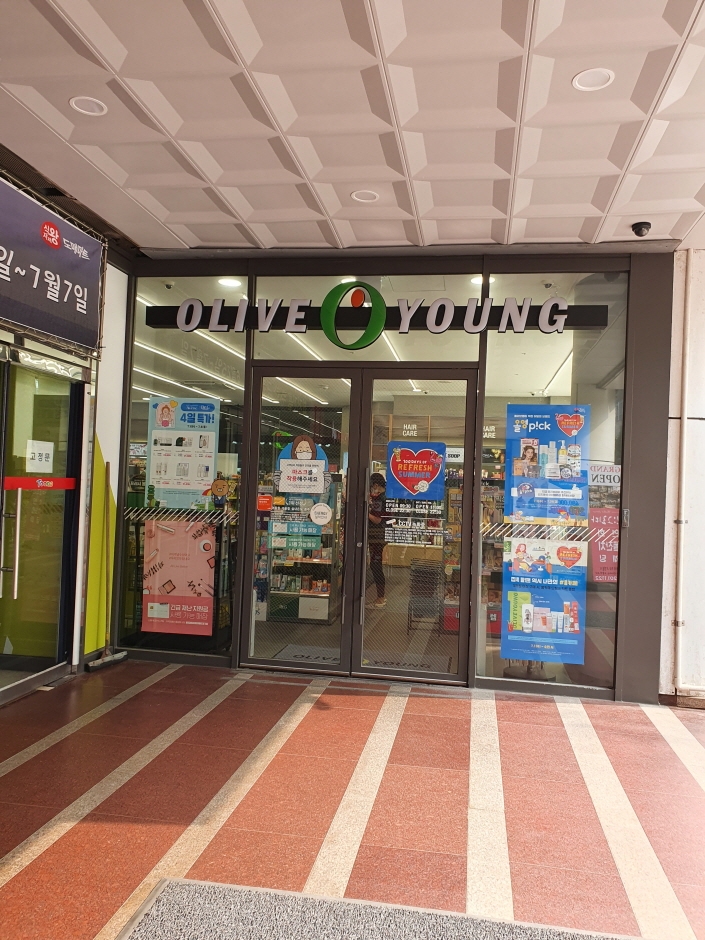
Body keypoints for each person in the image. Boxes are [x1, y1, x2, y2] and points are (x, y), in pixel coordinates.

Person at [368, 472, 387, 608]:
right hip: (380, 535)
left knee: (375, 565)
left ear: (375, 485)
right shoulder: (384, 497)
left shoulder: (380, 499)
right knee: (376, 564)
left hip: (377, 536)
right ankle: (380, 597)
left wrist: (366, 512)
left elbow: (377, 519)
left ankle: (381, 598)